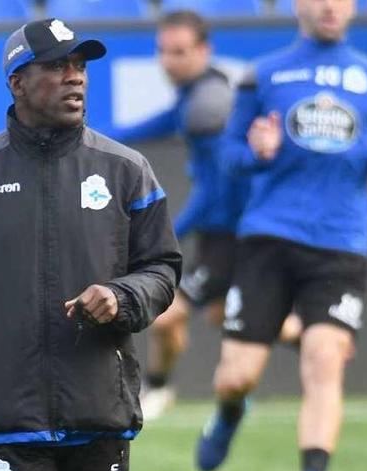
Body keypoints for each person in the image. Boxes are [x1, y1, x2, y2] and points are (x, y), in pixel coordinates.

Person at [0, 18, 182, 471]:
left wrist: (122, 296)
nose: (75, 76)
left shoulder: (127, 171)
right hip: (4, 421)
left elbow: (162, 269)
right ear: (17, 83)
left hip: (99, 415)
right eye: (56, 66)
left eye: (80, 65)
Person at [194, 1, 367, 471]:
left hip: (341, 243)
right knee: (236, 377)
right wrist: (257, 152)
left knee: (325, 355)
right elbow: (229, 157)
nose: (331, 6)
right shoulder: (262, 76)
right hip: (270, 238)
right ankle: (230, 413)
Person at [106, 10, 245, 420]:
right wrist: (99, 138)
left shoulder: (208, 107)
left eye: (180, 51)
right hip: (223, 235)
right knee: (230, 318)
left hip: (232, 237)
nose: (169, 60)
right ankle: (323, 338)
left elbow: (217, 194)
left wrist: (169, 235)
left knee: (168, 316)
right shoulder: (195, 95)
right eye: (163, 51)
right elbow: (165, 122)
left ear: (204, 51)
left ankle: (158, 388)